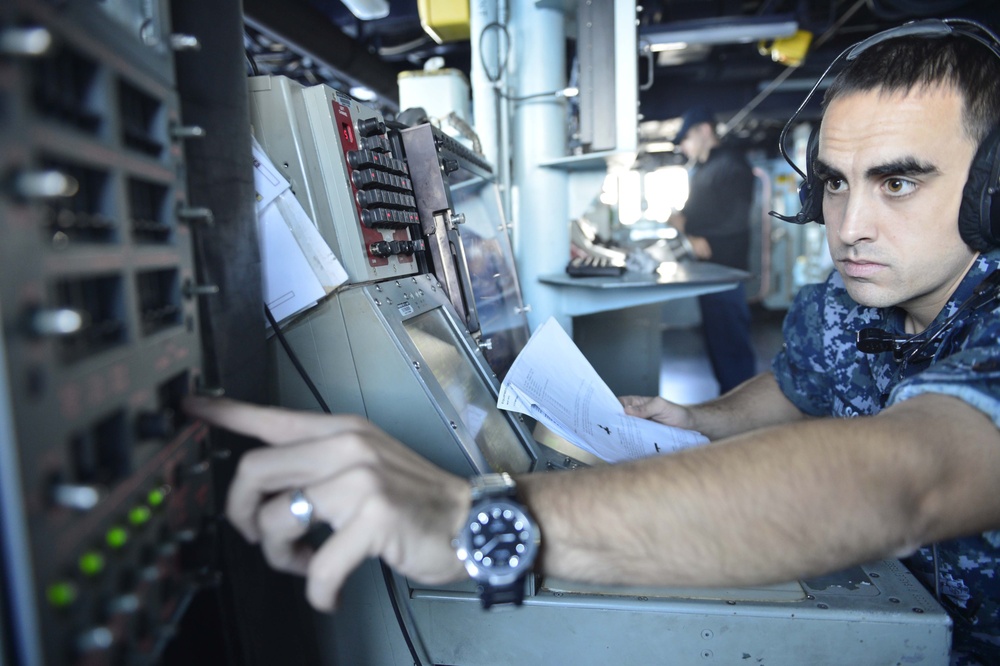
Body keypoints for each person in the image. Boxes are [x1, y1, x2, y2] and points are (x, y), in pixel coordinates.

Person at [185, 23, 1000, 665]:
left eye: (899, 181)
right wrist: (701, 419)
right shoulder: (850, 301)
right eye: (834, 183)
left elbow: (907, 483)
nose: (849, 227)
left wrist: (477, 521)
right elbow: (795, 387)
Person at [669, 105, 757, 393]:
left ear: (705, 130)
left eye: (686, 139)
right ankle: (729, 400)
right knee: (718, 344)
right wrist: (682, 221)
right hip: (708, 273)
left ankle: (745, 410)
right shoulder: (703, 170)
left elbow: (735, 219)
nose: (684, 147)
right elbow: (695, 213)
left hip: (726, 271)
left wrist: (697, 237)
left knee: (732, 344)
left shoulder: (733, 165)